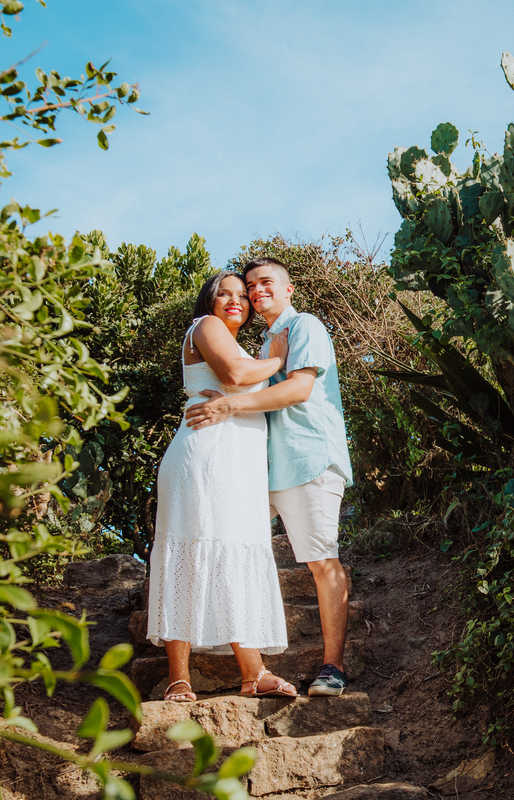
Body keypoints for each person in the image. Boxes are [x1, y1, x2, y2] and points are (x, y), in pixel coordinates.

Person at [185, 256, 354, 697]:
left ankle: (332, 668)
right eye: (250, 286)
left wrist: (228, 404)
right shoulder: (263, 344)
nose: (256, 291)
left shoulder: (304, 326)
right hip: (261, 467)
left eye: (265, 283)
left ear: (288, 288)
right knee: (233, 549)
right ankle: (252, 670)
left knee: (321, 560)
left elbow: (299, 388)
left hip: (307, 458)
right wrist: (225, 394)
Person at [146, 270, 298, 702]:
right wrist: (278, 359)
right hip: (205, 456)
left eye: (242, 295)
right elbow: (234, 373)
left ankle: (254, 673)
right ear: (209, 301)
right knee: (190, 551)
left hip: (236, 463)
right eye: (224, 293)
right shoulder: (207, 326)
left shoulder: (237, 343)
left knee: (233, 553)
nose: (236, 300)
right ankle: (179, 677)